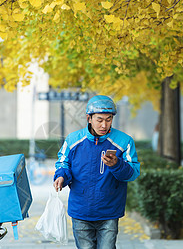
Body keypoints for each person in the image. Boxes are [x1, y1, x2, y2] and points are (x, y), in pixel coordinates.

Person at [53, 95, 140, 249]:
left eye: (108, 119)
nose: (104, 125)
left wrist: (116, 164)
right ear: (89, 118)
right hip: (80, 210)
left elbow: (133, 172)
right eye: (99, 119)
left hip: (109, 210)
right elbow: (63, 162)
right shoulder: (73, 140)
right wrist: (61, 176)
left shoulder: (124, 141)